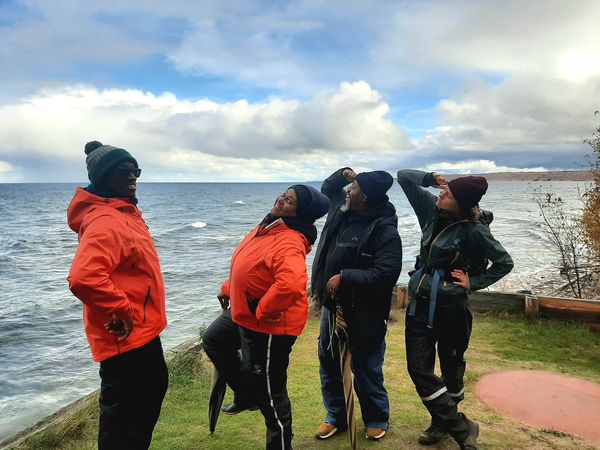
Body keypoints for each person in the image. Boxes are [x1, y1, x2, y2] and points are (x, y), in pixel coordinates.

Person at [202, 184, 330, 450]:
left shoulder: (290, 240)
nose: (282, 199)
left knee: (271, 395)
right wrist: (229, 288)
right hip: (245, 313)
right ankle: (247, 393)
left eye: (290, 200)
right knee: (214, 339)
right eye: (285, 194)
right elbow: (252, 268)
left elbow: (290, 286)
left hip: (270, 325)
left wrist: (261, 310)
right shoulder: (270, 226)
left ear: (300, 213)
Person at [397, 169, 514, 450]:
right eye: (444, 190)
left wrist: (472, 282)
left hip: (452, 308)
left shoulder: (475, 231)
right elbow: (403, 177)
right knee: (419, 370)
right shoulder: (430, 209)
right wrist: (430, 177)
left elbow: (504, 263)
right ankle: (462, 428)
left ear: (461, 204)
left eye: (448, 194)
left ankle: (441, 423)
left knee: (452, 369)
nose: (441, 194)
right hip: (420, 305)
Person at [68, 141, 168, 450]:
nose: (131, 177)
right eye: (122, 171)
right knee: (125, 422)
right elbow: (84, 277)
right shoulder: (106, 220)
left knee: (140, 410)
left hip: (141, 330)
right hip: (125, 337)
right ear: (102, 177)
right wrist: (121, 309)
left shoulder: (123, 212)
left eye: (134, 170)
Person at [311, 168, 402, 441]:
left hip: (366, 311)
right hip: (332, 306)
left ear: (366, 197)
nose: (349, 191)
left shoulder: (384, 229)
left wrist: (345, 277)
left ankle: (376, 417)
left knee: (366, 366)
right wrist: (344, 176)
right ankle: (336, 416)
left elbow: (387, 272)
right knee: (329, 362)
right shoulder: (341, 210)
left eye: (355, 188)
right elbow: (327, 190)